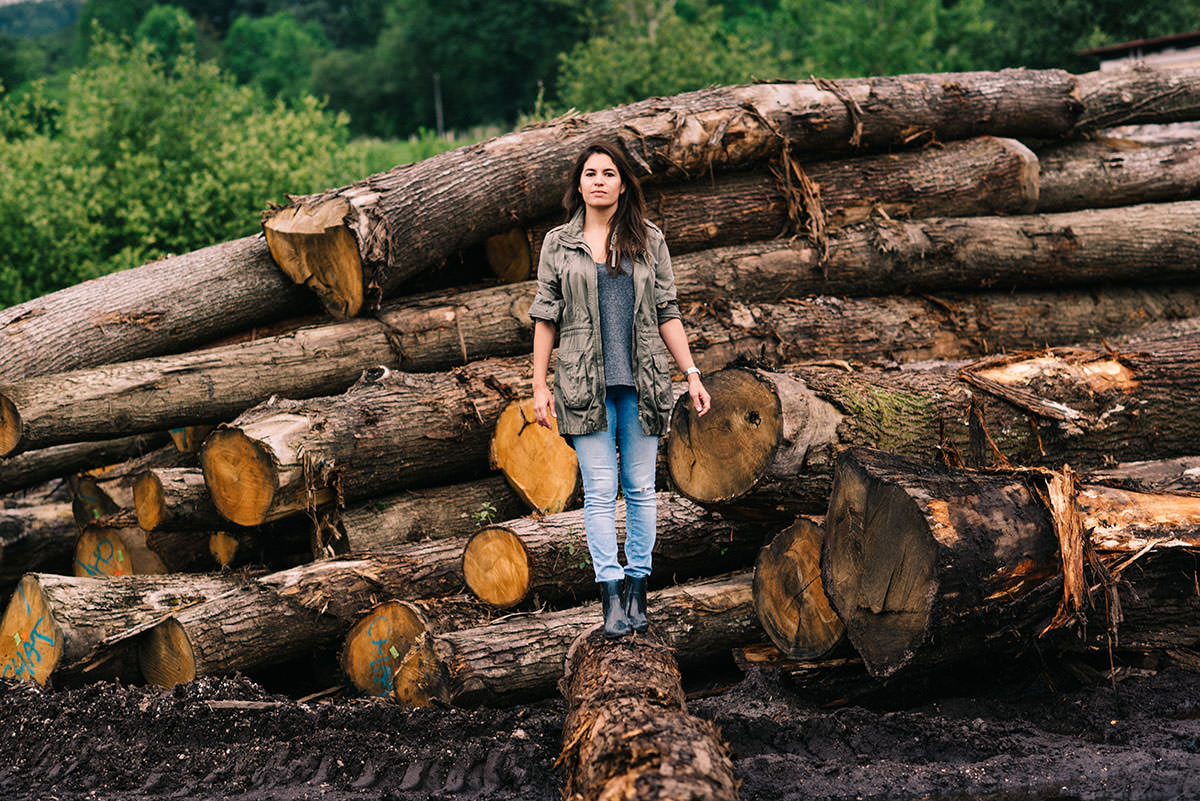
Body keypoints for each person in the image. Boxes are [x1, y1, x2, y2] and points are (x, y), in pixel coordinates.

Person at [529, 140, 711, 638]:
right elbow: (547, 315)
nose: (600, 181)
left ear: (623, 183)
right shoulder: (558, 245)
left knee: (641, 490)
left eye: (609, 173)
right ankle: (609, 596)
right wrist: (539, 383)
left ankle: (637, 590)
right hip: (583, 383)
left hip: (644, 380)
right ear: (579, 184)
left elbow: (667, 310)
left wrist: (691, 373)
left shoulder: (649, 240)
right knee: (600, 491)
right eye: (591, 173)